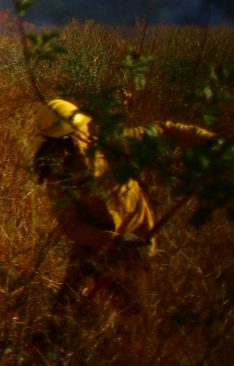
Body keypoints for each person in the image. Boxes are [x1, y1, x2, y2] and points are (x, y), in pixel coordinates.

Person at [33, 98, 218, 312]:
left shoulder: (114, 146)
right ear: (70, 137)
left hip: (136, 247)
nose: (88, 128)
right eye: (83, 126)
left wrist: (212, 142)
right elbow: (71, 225)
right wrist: (113, 241)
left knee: (135, 312)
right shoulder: (58, 176)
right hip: (93, 248)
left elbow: (165, 132)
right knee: (64, 309)